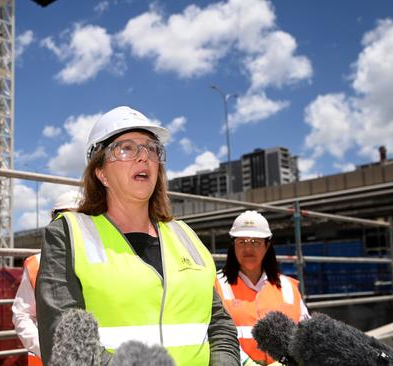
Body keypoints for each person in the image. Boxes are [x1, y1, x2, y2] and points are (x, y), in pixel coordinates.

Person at [36, 106, 240, 365]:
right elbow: (62, 341)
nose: (143, 157)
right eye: (126, 148)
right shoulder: (68, 234)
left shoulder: (185, 234)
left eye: (151, 148)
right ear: (101, 173)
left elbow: (218, 323)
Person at [215, 210, 309, 366]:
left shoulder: (287, 287)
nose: (248, 249)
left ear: (267, 246)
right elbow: (213, 335)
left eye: (255, 242)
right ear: (233, 246)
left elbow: (305, 333)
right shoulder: (217, 285)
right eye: (242, 242)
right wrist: (245, 362)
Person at [12, 189, 81, 366]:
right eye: (64, 219)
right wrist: (46, 349)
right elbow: (23, 315)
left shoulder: (99, 261)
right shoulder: (36, 263)